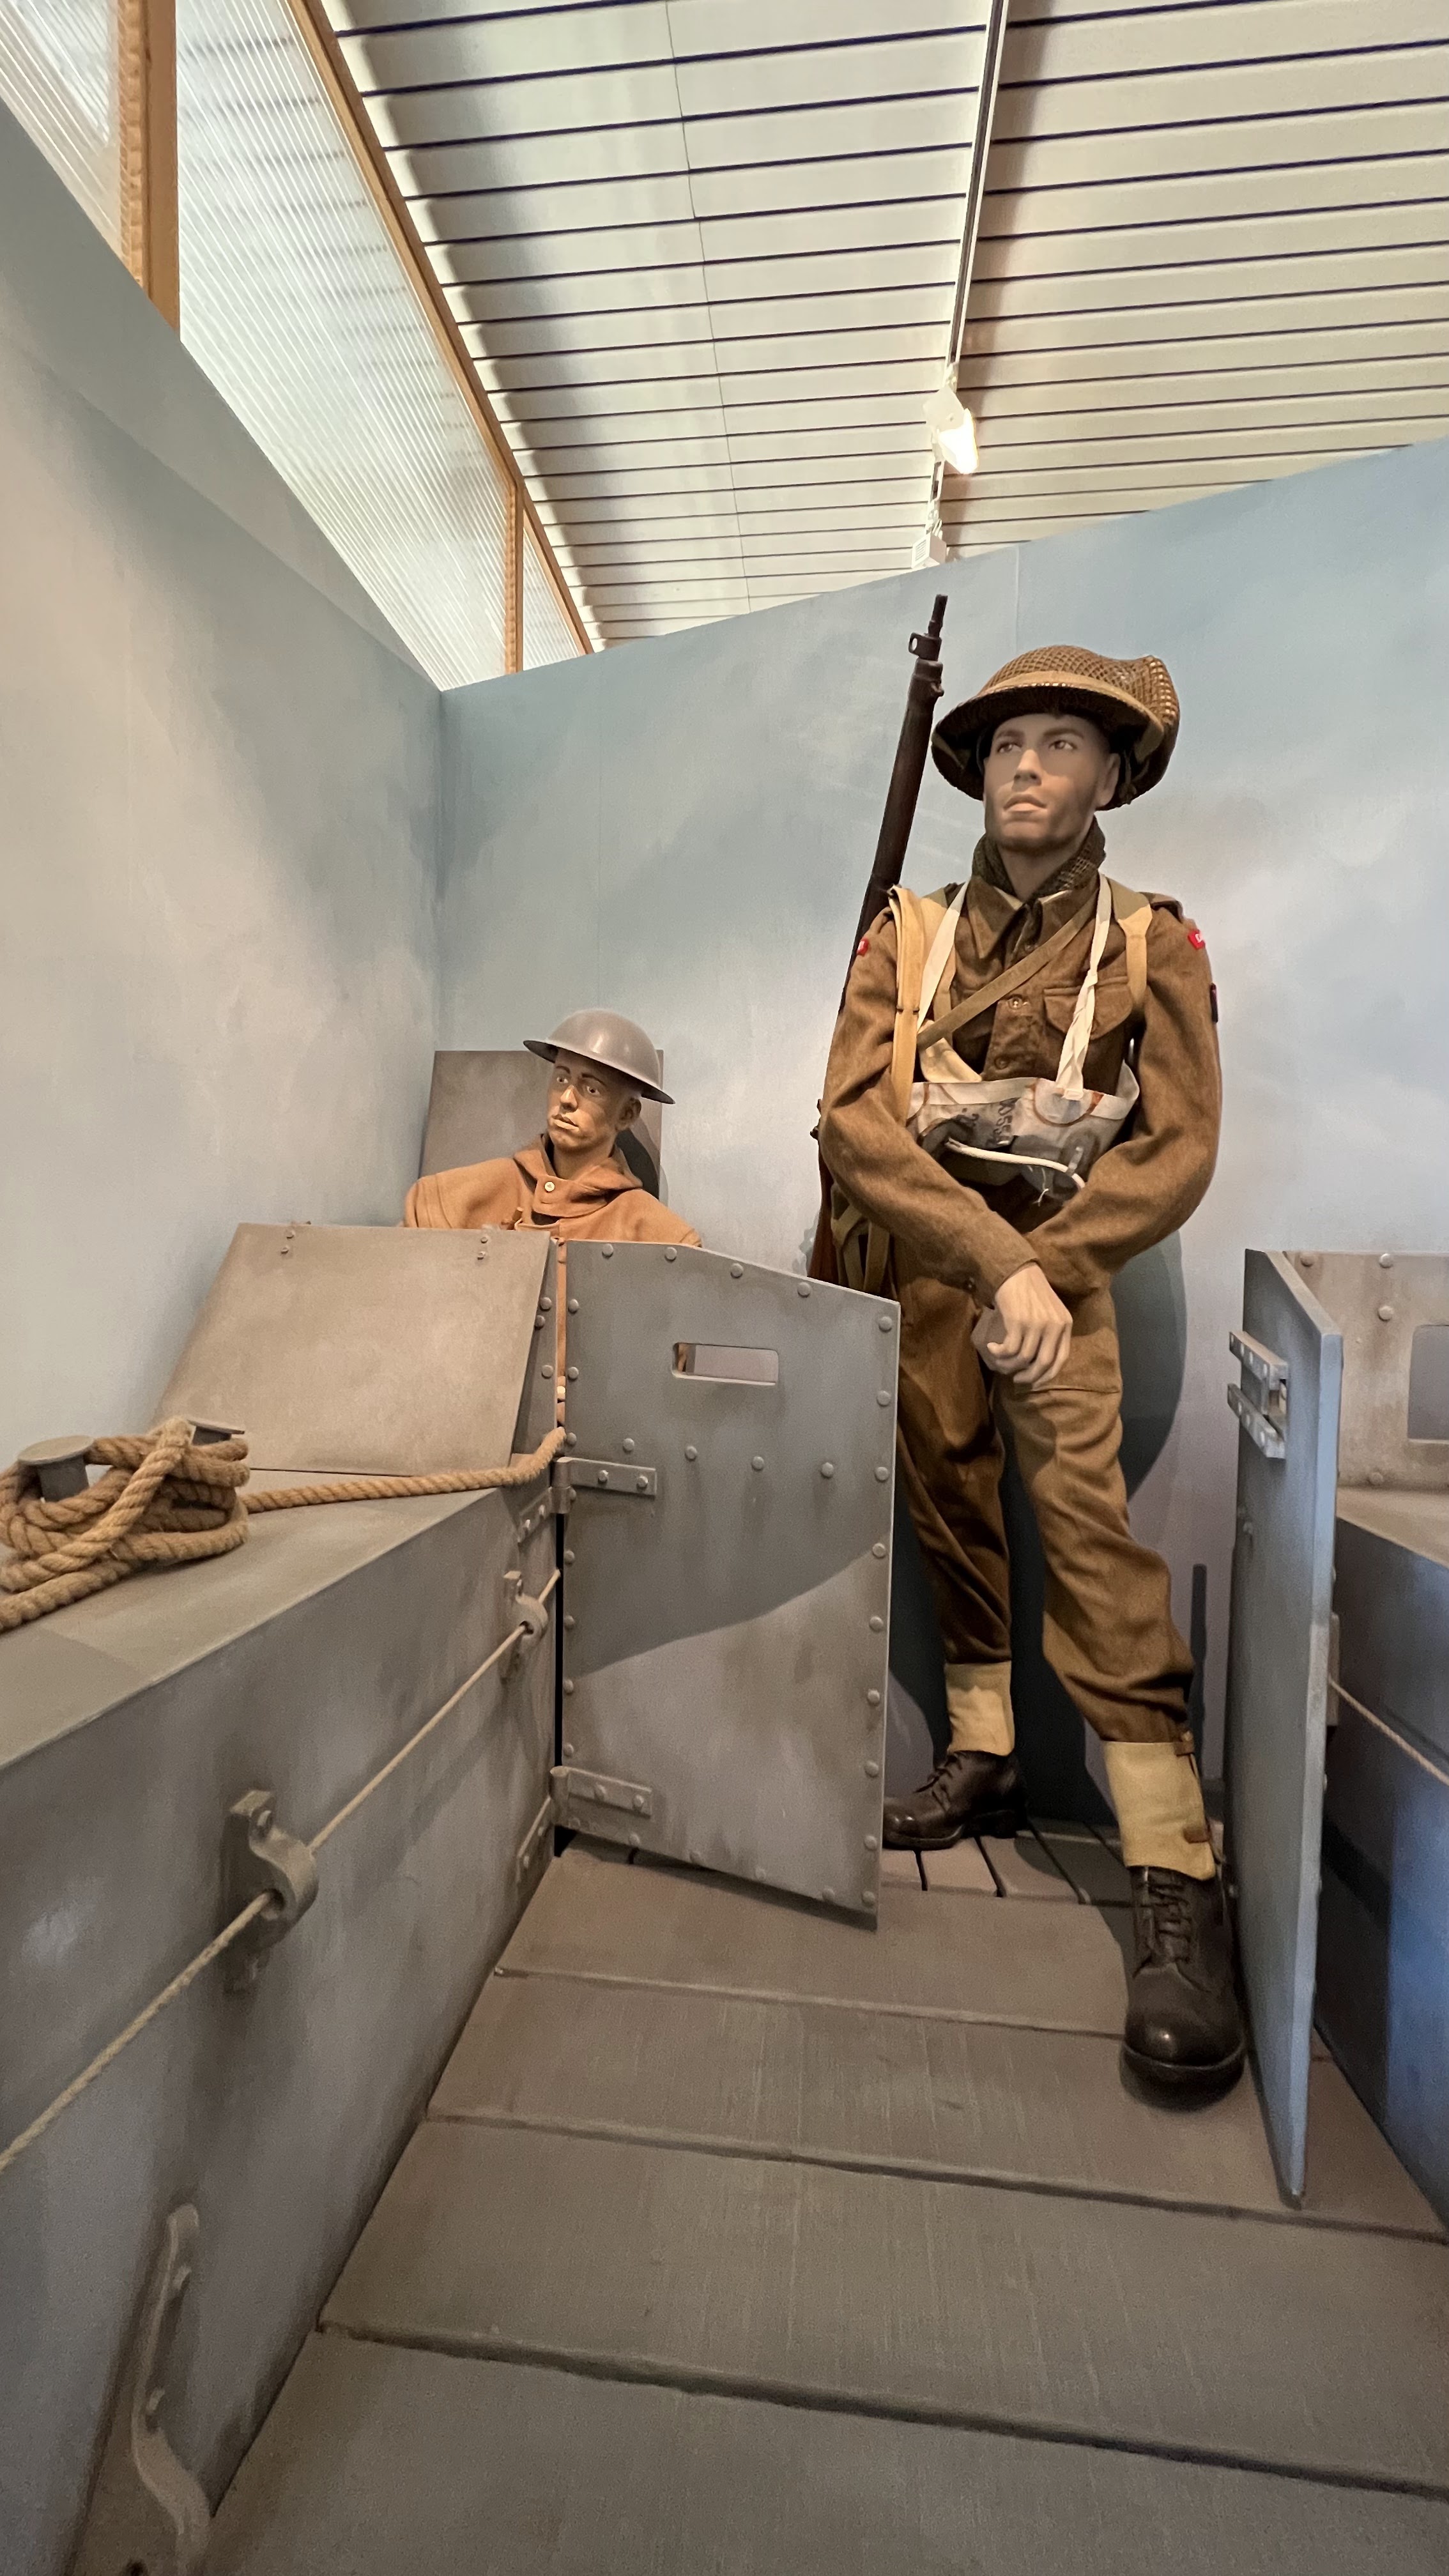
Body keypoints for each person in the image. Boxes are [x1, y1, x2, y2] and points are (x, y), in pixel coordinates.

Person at [818, 645, 1243, 2099]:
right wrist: (981, 1260)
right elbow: (853, 1124)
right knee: (944, 1493)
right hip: (935, 1265)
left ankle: (1175, 1872)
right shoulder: (909, 932)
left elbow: (1176, 1147)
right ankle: (984, 1753)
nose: (1025, 767)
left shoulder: (1153, 943)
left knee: (1090, 1539)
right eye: (1006, 745)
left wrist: (1040, 1270)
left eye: (1061, 743)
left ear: (1111, 775)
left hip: (1061, 1280)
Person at [404, 1010, 700, 1252]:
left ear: (627, 1114)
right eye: (561, 1079)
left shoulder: (661, 1238)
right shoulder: (448, 1202)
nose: (567, 1099)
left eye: (592, 1089)